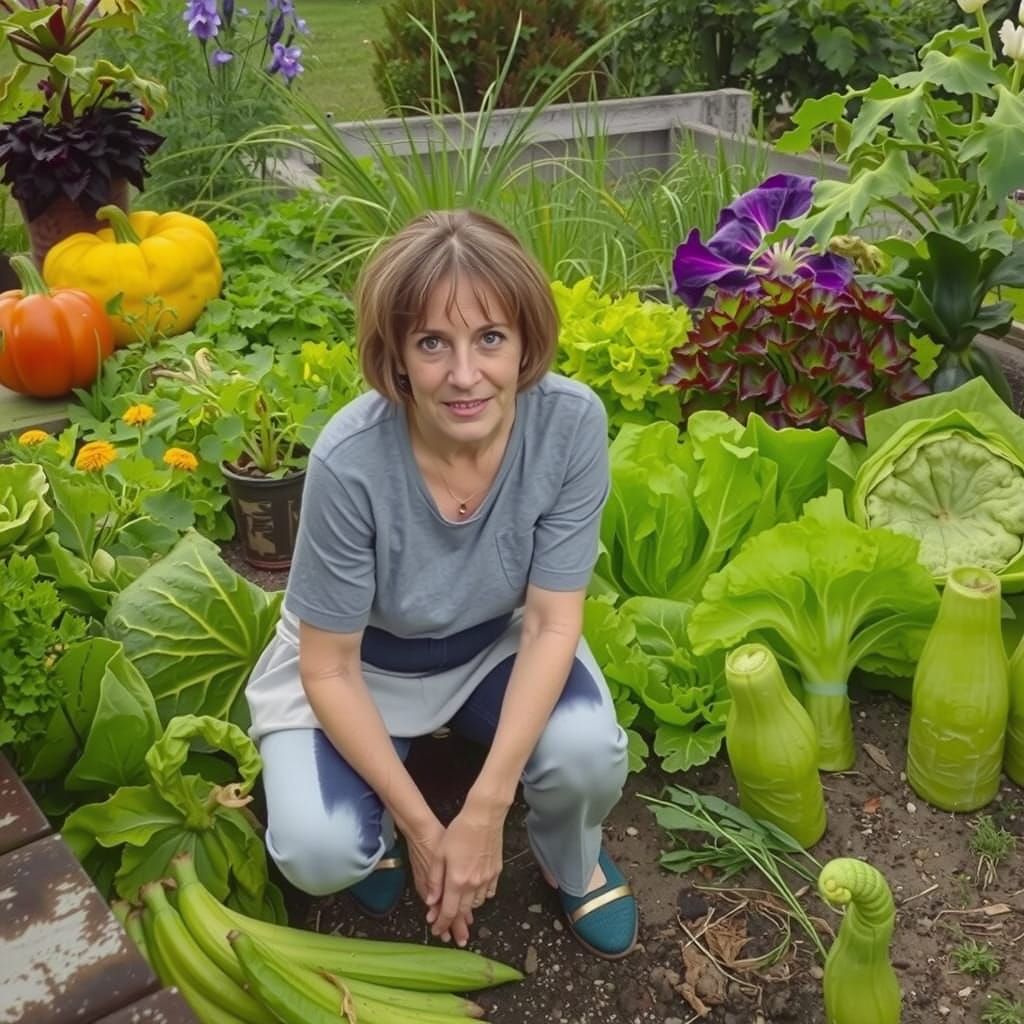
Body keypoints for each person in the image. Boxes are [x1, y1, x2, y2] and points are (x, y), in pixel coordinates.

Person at [245, 209, 636, 960]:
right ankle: (386, 826)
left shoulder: (570, 425)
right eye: (432, 343)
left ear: (525, 341)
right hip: (364, 666)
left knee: (588, 754)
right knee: (318, 852)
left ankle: (567, 857)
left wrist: (487, 809)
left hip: (493, 644)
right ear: (394, 354)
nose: (464, 375)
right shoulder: (350, 460)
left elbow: (555, 623)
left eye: (490, 337)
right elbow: (326, 665)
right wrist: (429, 831)